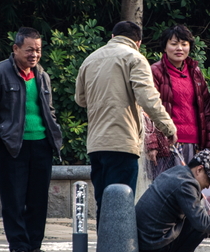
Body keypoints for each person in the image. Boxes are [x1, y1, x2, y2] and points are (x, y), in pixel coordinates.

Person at [0, 27, 64, 252]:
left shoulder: (42, 75)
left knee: (38, 200)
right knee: (14, 200)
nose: (34, 55)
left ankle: (34, 247)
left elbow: (48, 109)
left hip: (42, 144)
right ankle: (18, 249)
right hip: (13, 146)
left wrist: (54, 132)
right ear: (15, 49)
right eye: (29, 50)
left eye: (38, 50)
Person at [75, 20, 177, 222]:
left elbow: (80, 99)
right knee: (121, 202)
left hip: (96, 144)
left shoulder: (90, 59)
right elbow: (148, 98)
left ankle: (104, 251)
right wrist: (168, 127)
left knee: (103, 201)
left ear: (113, 37)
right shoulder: (134, 58)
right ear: (137, 42)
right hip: (122, 142)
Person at [146, 24, 210, 175]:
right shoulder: (155, 72)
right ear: (164, 47)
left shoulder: (195, 72)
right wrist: (152, 143)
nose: (179, 48)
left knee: (190, 192)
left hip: (195, 144)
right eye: (174, 44)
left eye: (184, 44)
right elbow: (148, 110)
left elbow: (206, 110)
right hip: (167, 144)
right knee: (165, 192)